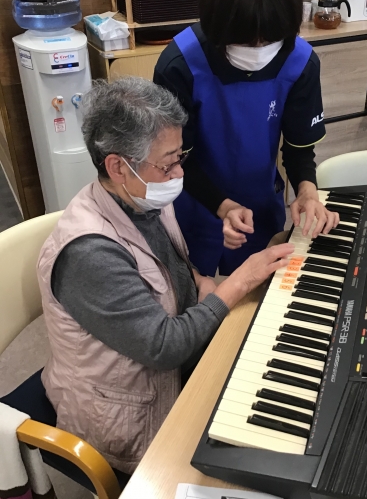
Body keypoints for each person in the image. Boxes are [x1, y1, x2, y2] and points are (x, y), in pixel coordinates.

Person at [37, 77, 294, 474]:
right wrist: (239, 281)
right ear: (118, 167)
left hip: (167, 369)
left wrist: (201, 281)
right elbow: (164, 347)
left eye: (180, 157)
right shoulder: (89, 253)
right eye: (168, 163)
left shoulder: (140, 199)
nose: (178, 172)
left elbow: (165, 267)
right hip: (125, 417)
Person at [154, 0, 339, 277]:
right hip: (193, 203)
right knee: (195, 292)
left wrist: (307, 191)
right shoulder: (180, 65)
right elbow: (175, 160)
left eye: (270, 40)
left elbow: (299, 148)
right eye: (244, 41)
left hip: (260, 206)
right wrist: (222, 207)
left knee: (257, 292)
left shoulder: (299, 62)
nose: (258, 50)